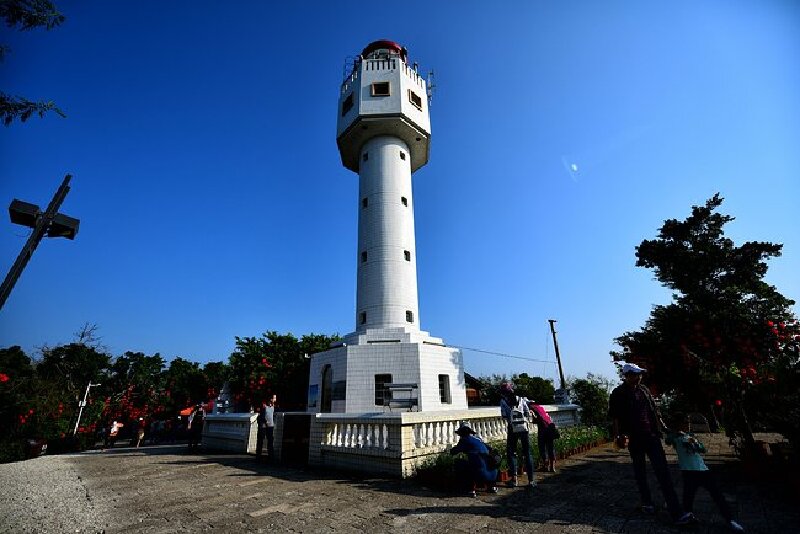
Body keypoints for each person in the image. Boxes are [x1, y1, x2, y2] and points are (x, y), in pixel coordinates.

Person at [609, 362, 694, 525]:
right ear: (626, 376)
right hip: (634, 438)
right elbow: (615, 417)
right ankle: (647, 502)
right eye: (635, 374)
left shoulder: (644, 390)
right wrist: (618, 436)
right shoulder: (618, 393)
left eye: (639, 374)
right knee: (640, 472)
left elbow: (655, 410)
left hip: (652, 436)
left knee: (663, 473)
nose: (638, 377)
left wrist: (665, 427)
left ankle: (676, 512)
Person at [664, 416, 745, 532]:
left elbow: (702, 449)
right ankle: (688, 515)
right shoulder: (676, 437)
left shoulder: (691, 436)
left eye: (689, 422)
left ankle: (730, 519)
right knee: (688, 496)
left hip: (703, 470)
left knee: (717, 495)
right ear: (679, 424)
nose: (688, 424)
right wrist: (677, 434)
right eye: (685, 422)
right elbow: (668, 440)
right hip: (688, 471)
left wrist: (694, 443)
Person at [499, 382, 535, 489]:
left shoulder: (503, 401)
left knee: (511, 453)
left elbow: (504, 416)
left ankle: (514, 480)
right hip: (523, 428)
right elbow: (527, 413)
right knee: (527, 453)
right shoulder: (521, 399)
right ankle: (531, 481)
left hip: (512, 428)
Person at [449, 421, 498, 497]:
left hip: (480, 472)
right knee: (480, 463)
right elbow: (489, 448)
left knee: (460, 463)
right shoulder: (478, 439)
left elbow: (454, 451)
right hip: (492, 473)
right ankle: (492, 487)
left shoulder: (465, 440)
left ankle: (470, 489)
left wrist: (449, 450)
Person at [529, 400, 557, 473]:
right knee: (551, 448)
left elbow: (536, 420)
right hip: (550, 428)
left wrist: (532, 415)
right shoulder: (541, 408)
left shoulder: (532, 408)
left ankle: (545, 466)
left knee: (542, 448)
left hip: (543, 430)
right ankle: (552, 467)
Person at [263, 394, 276, 460]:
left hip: (271, 425)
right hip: (266, 425)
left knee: (271, 440)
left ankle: (270, 453)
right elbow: (263, 415)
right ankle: (268, 453)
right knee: (266, 439)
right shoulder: (265, 407)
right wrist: (266, 422)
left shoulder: (273, 407)